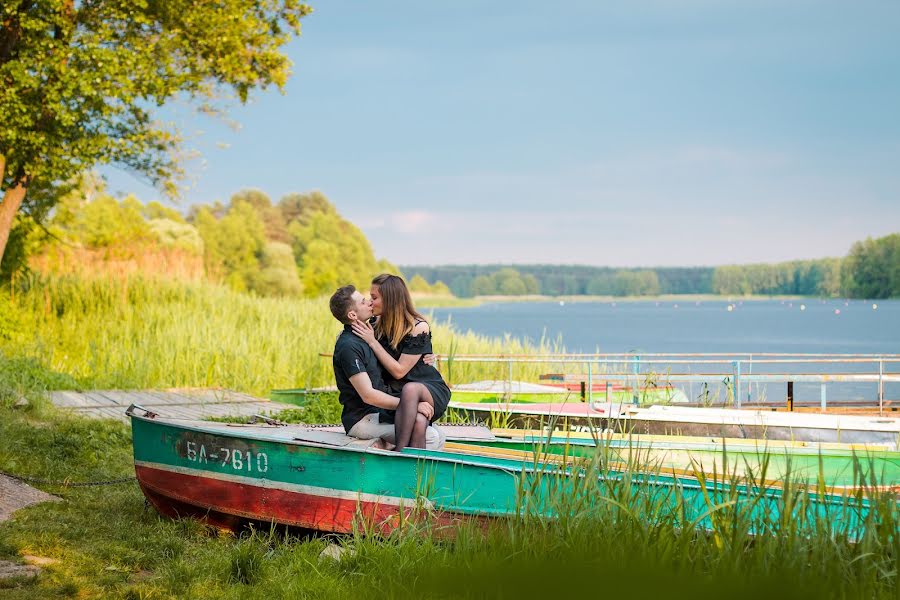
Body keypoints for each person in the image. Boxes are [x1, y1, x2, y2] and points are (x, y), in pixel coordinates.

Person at [329, 284, 441, 450]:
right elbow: (368, 396)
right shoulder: (349, 346)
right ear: (352, 314)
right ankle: (401, 468)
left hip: (380, 413)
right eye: (363, 302)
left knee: (436, 432)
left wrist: (427, 357)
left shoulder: (369, 332)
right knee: (430, 436)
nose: (369, 303)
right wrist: (409, 405)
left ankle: (397, 454)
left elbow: (401, 351)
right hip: (362, 418)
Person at [351, 273, 451, 451]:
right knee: (419, 422)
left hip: (428, 389)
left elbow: (399, 371)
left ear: (390, 298)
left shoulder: (417, 326)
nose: (371, 302)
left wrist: (372, 342)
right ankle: (415, 472)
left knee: (411, 389)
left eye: (374, 297)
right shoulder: (375, 324)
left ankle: (400, 452)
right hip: (399, 393)